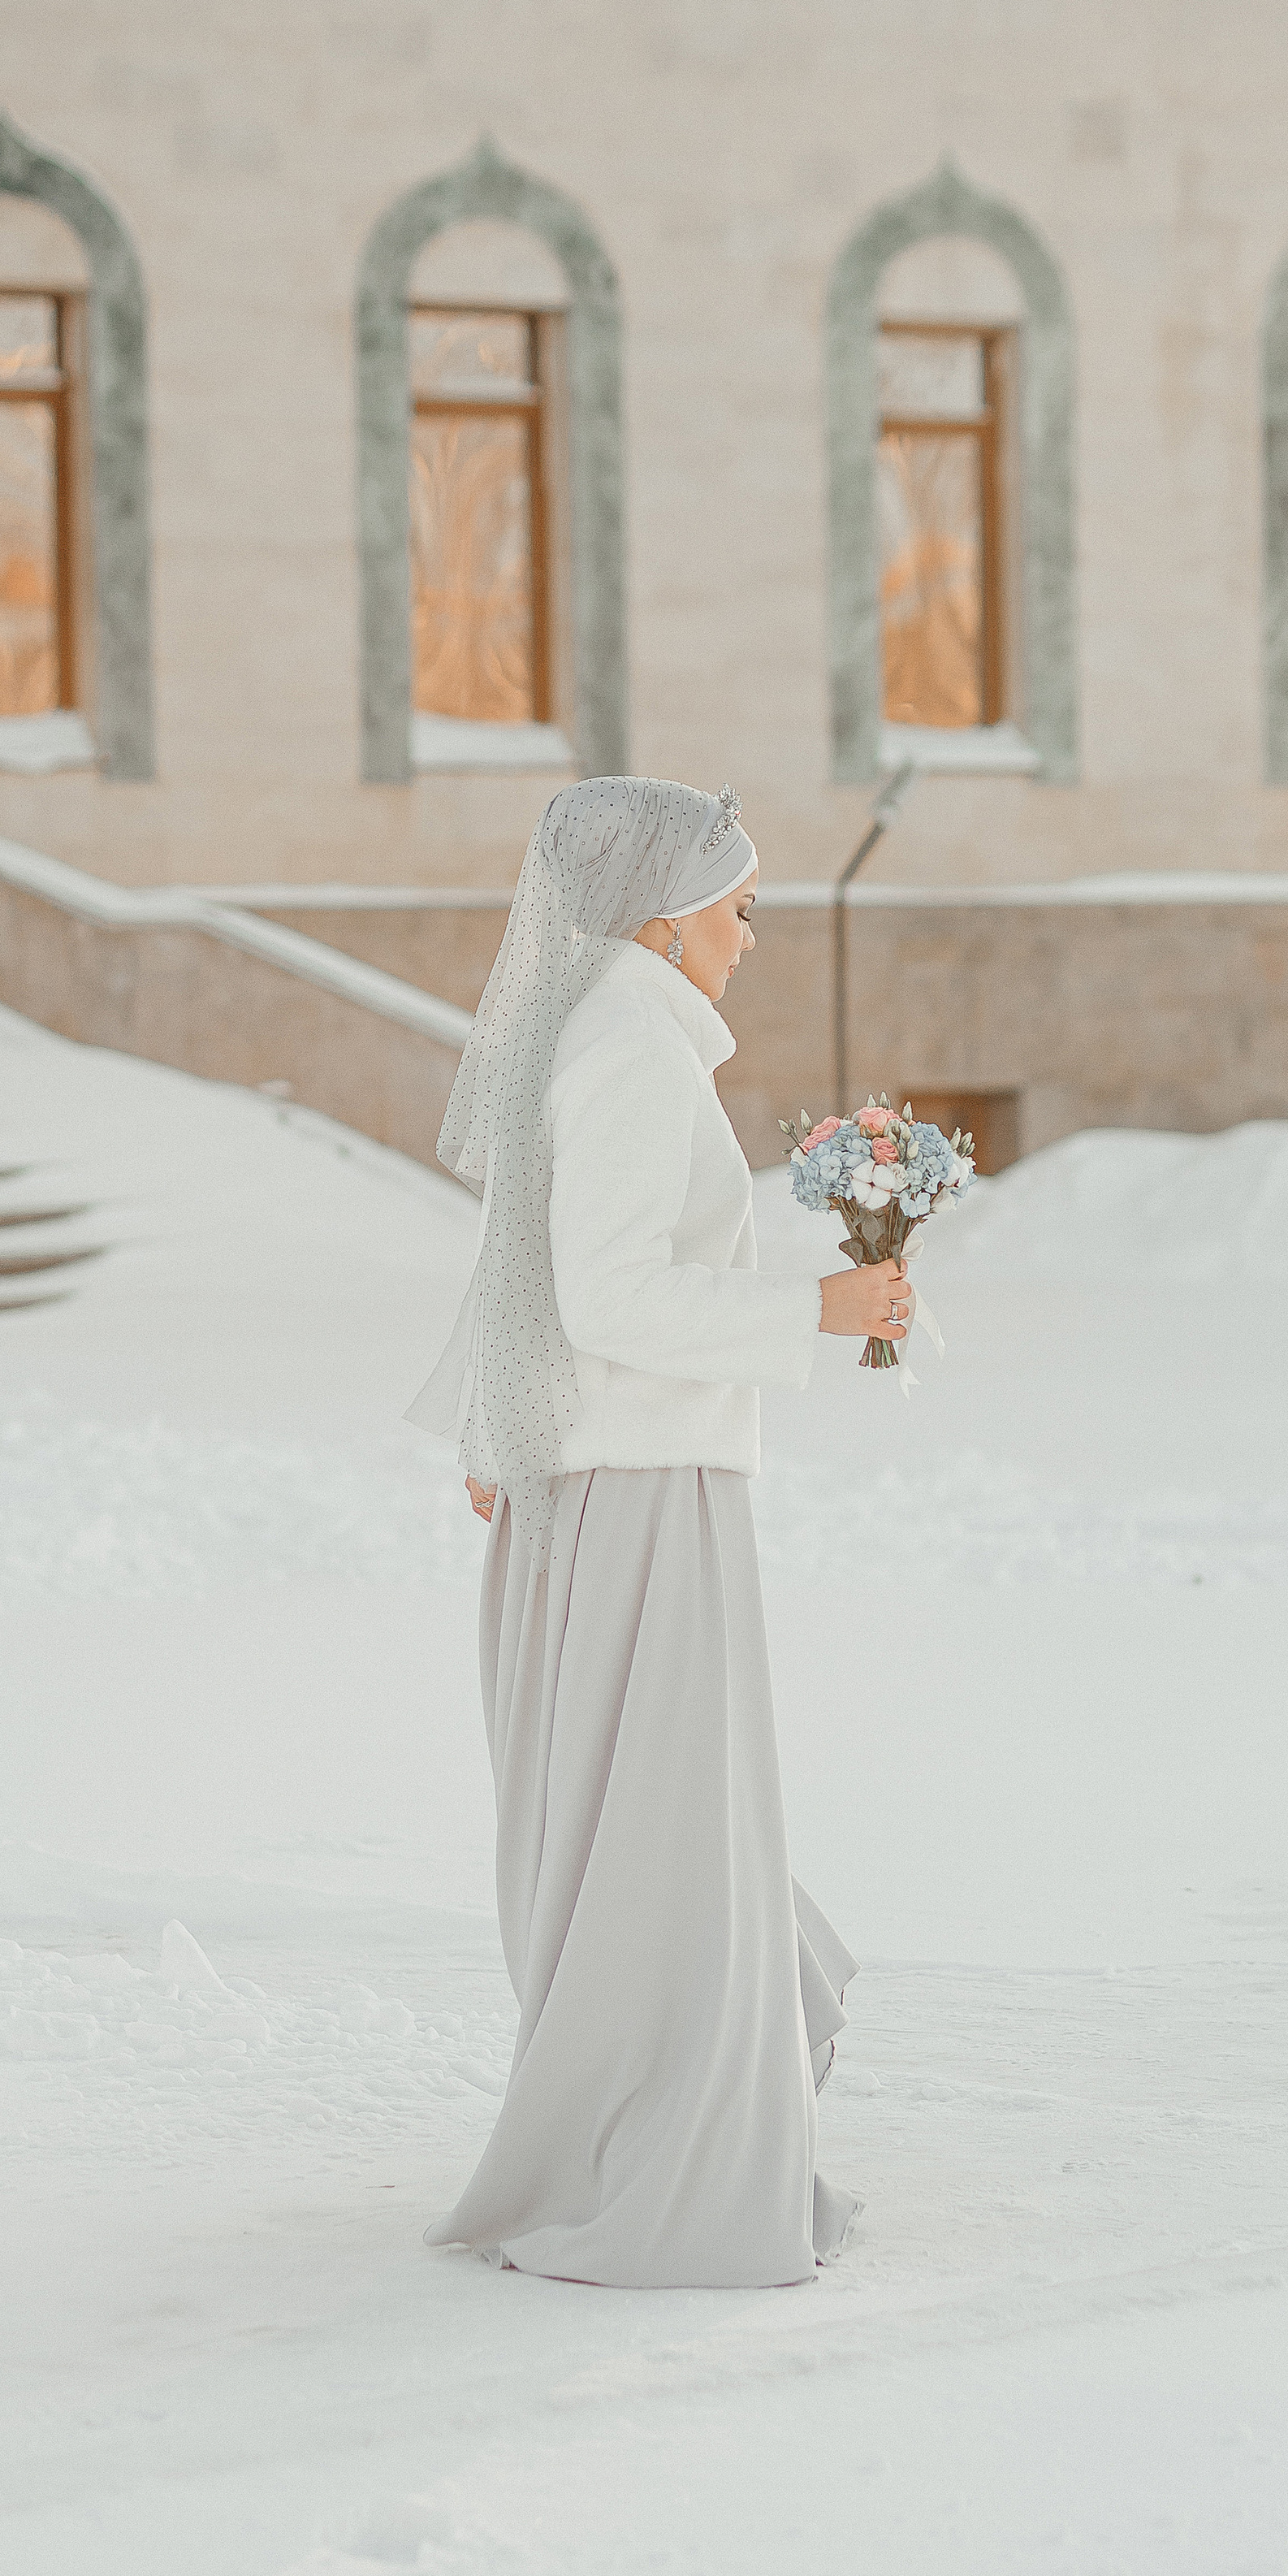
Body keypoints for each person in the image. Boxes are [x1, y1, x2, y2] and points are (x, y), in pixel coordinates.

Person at [406, 777, 910, 2288]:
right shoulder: (630, 1043)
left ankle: (662, 2113)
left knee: (665, 1823)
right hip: (645, 1494)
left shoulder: (613, 1034)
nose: (752, 940)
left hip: (628, 1481)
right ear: (669, 912)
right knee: (668, 1824)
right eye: (742, 909)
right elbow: (603, 1294)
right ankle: (661, 2157)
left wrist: (494, 1419)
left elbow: (526, 1259)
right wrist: (812, 1308)